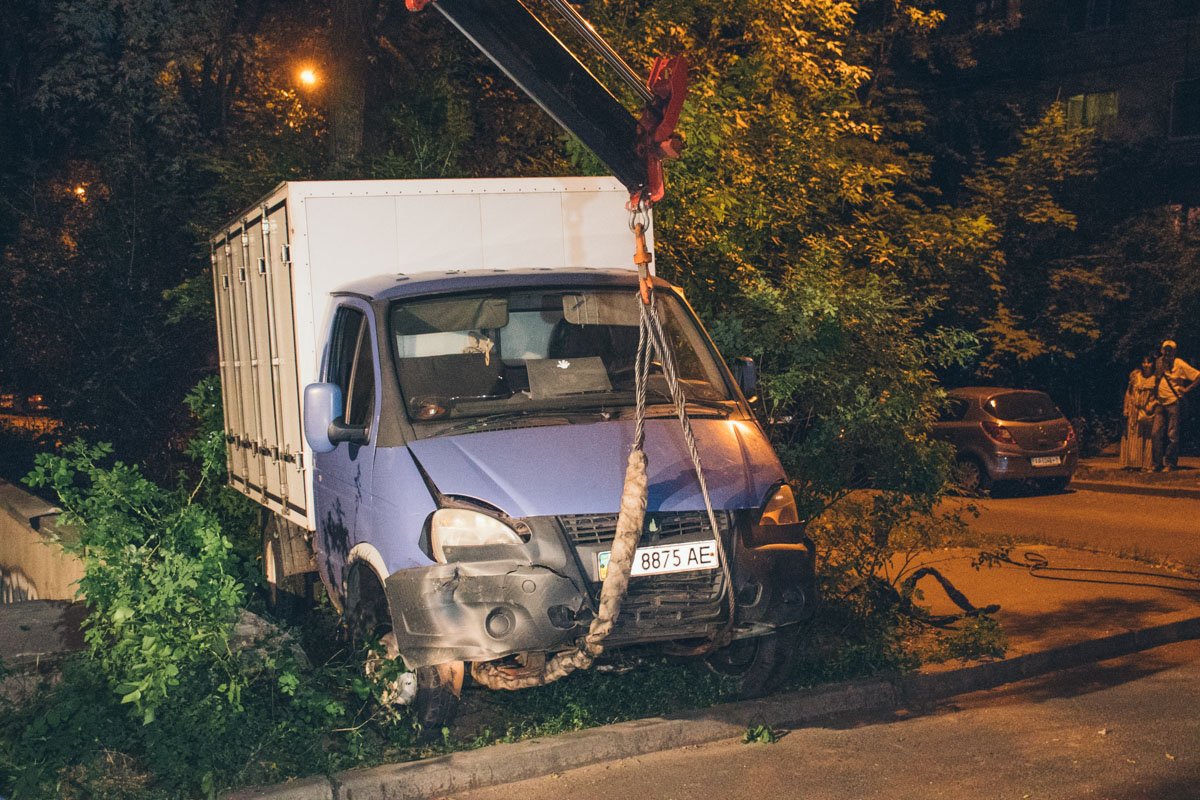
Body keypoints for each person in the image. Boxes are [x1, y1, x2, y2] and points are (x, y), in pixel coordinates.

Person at [1152, 339, 1200, 471]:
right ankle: (1156, 464)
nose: (1167, 352)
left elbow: (1197, 376)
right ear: (1162, 350)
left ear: (1174, 351)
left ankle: (1170, 464)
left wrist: (1187, 389)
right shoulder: (1159, 362)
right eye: (1165, 349)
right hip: (1160, 402)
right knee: (1156, 433)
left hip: (1173, 402)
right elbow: (1156, 380)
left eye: (1170, 350)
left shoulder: (1179, 363)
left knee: (1172, 434)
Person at [1119, 355, 1157, 470]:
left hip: (1146, 410)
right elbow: (1129, 393)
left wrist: (1151, 405)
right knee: (1133, 435)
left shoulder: (1155, 379)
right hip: (1133, 409)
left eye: (1149, 363)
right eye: (1144, 362)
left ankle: (1145, 464)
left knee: (1146, 437)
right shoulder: (1135, 376)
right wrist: (1125, 408)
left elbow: (1157, 396)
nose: (1146, 365)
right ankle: (1132, 463)